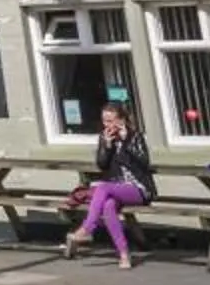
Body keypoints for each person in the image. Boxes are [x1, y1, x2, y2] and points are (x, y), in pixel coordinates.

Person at [64, 102, 157, 269]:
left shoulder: (135, 137)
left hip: (139, 189)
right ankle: (123, 254)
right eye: (105, 121)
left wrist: (126, 141)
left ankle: (87, 228)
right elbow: (102, 165)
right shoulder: (104, 137)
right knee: (108, 206)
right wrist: (106, 146)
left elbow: (144, 163)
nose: (108, 125)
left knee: (102, 188)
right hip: (117, 188)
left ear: (121, 120)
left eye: (111, 120)